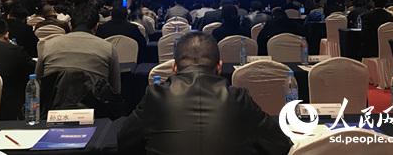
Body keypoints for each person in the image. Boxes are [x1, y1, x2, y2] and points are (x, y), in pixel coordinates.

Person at [118, 32, 292, 155]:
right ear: (219, 66)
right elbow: (279, 145)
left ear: (174, 68)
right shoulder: (239, 98)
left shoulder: (155, 96)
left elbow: (125, 143)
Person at [36, 3, 121, 94]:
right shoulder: (108, 48)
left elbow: (37, 82)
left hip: (52, 101)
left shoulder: (47, 45)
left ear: (70, 25)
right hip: (94, 102)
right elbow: (115, 90)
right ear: (96, 27)